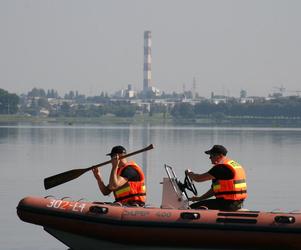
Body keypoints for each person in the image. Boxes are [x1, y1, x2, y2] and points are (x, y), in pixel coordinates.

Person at [186, 145, 247, 211]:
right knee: (200, 205)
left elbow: (198, 178)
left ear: (220, 156)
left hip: (227, 203)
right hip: (237, 203)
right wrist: (200, 198)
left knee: (191, 208)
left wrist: (189, 173)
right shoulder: (233, 165)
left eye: (212, 155)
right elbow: (214, 190)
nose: (209, 158)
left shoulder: (221, 168)